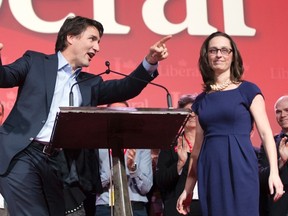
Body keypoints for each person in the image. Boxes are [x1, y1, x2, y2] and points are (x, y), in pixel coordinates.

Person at [0, 15, 171, 216]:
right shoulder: (35, 62)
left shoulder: (90, 83)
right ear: (71, 37)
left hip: (58, 164)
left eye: (98, 42)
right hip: (22, 154)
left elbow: (125, 88)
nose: (97, 48)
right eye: (92, 39)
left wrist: (149, 62)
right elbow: (4, 77)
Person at [176, 31, 284, 216]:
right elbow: (196, 151)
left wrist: (274, 172)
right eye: (213, 50)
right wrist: (188, 189)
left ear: (233, 56)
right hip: (210, 168)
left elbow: (266, 134)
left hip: (240, 164)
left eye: (225, 50)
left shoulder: (248, 90)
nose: (219, 54)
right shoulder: (201, 101)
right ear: (206, 57)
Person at [95, 101, 153, 216]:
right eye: (114, 114)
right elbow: (93, 185)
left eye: (123, 114)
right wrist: (115, 169)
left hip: (135, 206)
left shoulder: (141, 146)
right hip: (106, 207)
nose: (119, 118)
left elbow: (146, 188)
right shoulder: (98, 146)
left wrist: (133, 169)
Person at [156, 94, 202, 216]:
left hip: (206, 205)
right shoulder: (171, 145)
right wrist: (179, 164)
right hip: (177, 207)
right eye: (187, 111)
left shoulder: (210, 144)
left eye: (195, 111)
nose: (192, 114)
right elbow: (161, 181)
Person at [258, 95, 288, 216]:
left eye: (287, 110)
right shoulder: (269, 143)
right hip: (277, 209)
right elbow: (260, 179)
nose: (282, 115)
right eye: (278, 112)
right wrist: (281, 161)